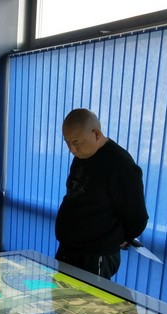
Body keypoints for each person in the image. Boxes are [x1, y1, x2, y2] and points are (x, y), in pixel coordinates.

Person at [55, 108, 148, 279]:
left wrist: (119, 238)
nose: (72, 149)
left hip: (95, 255)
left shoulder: (120, 164)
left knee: (86, 297)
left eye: (76, 142)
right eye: (67, 142)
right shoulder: (82, 156)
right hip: (68, 249)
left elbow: (137, 216)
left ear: (96, 134)